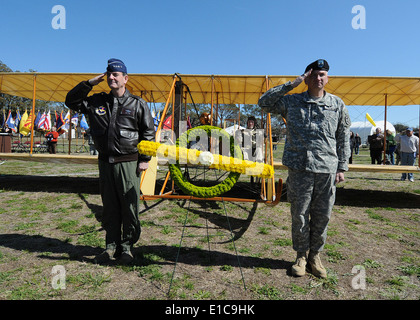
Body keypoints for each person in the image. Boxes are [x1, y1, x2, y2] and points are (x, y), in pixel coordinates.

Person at [258, 59, 351, 278]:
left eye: (323, 75)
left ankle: (315, 257)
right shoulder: (292, 102)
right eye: (314, 75)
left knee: (322, 216)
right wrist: (292, 83)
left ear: (327, 78)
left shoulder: (337, 104)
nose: (319, 78)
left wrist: (342, 167)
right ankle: (300, 256)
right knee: (299, 215)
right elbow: (263, 103)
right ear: (307, 77)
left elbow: (343, 135)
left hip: (326, 169)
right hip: (299, 169)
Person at [65, 58, 155, 264]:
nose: (112, 77)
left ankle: (126, 247)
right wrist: (89, 84)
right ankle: (110, 246)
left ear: (126, 78)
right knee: (110, 206)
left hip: (129, 162)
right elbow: (71, 101)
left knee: (129, 205)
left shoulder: (138, 104)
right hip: (106, 162)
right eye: (109, 74)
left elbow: (148, 132)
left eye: (116, 74)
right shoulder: (97, 101)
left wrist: (145, 159)